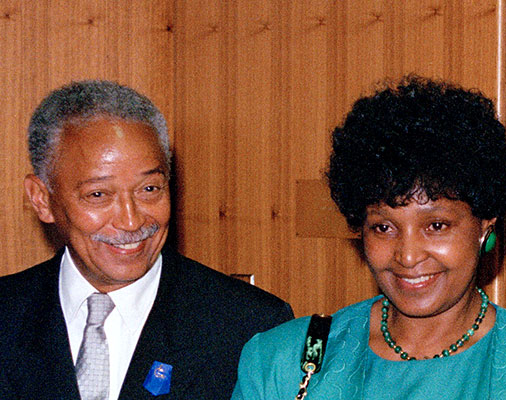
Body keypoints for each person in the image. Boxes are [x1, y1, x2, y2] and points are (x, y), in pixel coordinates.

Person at [232, 76, 506, 399]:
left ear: (485, 225)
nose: (408, 255)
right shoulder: (282, 363)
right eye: (383, 227)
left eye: (437, 226)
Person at [0, 80, 294, 400]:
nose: (131, 220)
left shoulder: (249, 327)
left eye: (149, 189)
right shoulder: (8, 313)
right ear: (42, 199)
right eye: (98, 194)